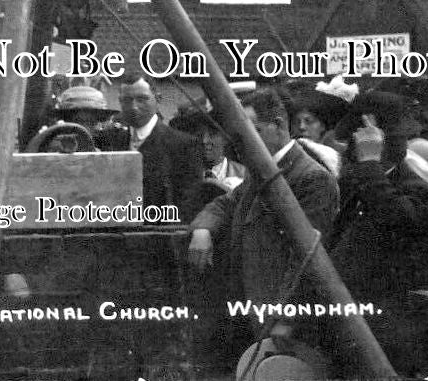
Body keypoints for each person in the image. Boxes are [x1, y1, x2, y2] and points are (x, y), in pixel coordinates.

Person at [188, 88, 338, 363]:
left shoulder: (312, 179)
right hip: (253, 312)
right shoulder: (262, 170)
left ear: (279, 125)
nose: (243, 142)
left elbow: (306, 262)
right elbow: (226, 203)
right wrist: (202, 229)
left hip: (280, 325)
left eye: (253, 130)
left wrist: (286, 321)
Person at [327, 91, 428, 377]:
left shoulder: (418, 187)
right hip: (350, 322)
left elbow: (396, 217)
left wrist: (369, 165)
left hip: (392, 331)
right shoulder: (359, 182)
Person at [117, 73, 203, 222]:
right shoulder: (111, 141)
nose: (134, 107)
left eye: (142, 99)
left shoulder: (183, 145)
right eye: (127, 100)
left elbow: (188, 205)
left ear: (158, 98)